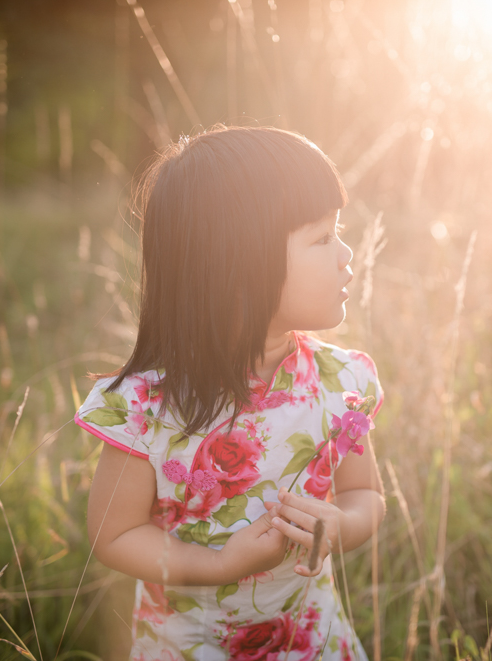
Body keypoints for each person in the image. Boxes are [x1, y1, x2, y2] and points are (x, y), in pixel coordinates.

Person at [75, 125, 386, 660]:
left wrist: (343, 525)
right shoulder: (148, 408)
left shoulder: (341, 384)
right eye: (321, 237)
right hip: (191, 647)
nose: (346, 253)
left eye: (339, 232)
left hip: (310, 638)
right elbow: (115, 535)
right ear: (238, 265)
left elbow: (366, 495)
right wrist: (219, 566)